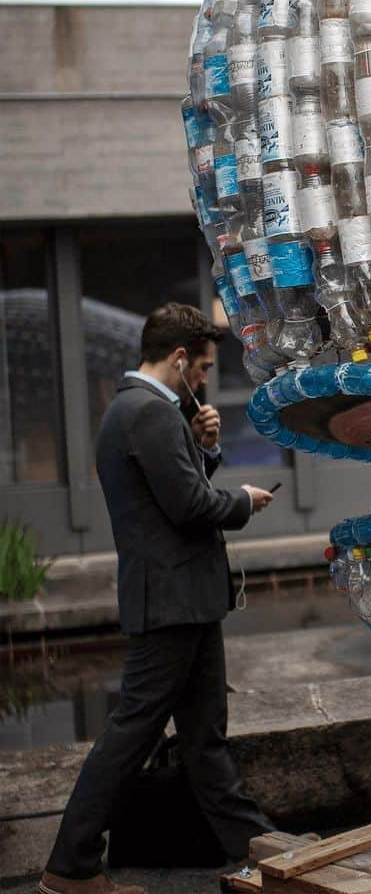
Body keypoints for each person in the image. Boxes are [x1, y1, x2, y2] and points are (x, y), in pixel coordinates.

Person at [41, 304, 277, 894]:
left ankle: (260, 853)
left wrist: (203, 449)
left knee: (204, 741)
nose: (202, 382)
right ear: (177, 359)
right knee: (131, 735)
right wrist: (245, 499)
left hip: (184, 599)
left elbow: (175, 491)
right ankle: (70, 868)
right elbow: (192, 508)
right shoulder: (148, 412)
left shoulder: (143, 413)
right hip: (172, 601)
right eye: (200, 370)